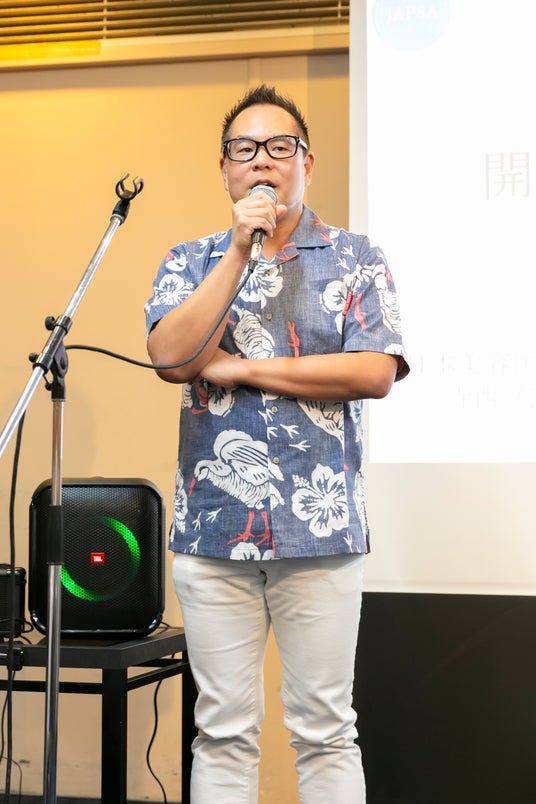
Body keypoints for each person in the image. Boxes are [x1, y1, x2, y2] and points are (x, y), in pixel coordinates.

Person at [145, 84, 409, 804]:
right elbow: (170, 355)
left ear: (306, 164)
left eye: (279, 146)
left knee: (325, 730)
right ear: (225, 169)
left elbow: (374, 371)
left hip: (320, 534)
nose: (262, 160)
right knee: (222, 732)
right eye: (244, 149)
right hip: (213, 531)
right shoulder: (190, 260)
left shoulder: (356, 257)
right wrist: (237, 251)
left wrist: (238, 369)